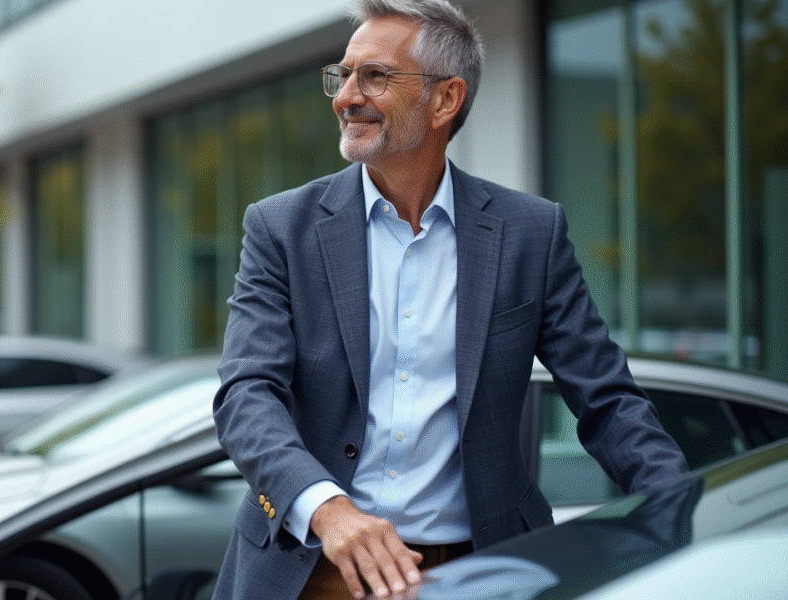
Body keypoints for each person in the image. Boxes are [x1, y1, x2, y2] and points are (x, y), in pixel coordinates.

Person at [211, 1, 689, 599]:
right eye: (343, 74)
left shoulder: (529, 234)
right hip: (313, 569)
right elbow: (246, 394)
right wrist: (329, 509)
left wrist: (688, 515)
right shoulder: (281, 228)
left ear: (446, 99)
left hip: (484, 571)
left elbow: (609, 402)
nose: (345, 96)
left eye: (375, 76)